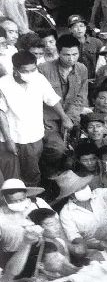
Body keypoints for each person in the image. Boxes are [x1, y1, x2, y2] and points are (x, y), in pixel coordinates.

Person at [0, 51, 74, 186]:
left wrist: (64, 117)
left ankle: (33, 194)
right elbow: (1, 114)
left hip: (33, 135)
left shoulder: (39, 79)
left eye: (33, 69)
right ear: (15, 69)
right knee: (12, 176)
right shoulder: (3, 84)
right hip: (10, 136)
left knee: (31, 172)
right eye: (25, 71)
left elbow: (52, 99)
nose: (30, 74)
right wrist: (8, 140)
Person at [39, 34, 89, 156]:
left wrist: (70, 118)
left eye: (75, 54)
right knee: (57, 149)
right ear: (58, 52)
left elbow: (81, 97)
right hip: (48, 120)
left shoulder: (82, 69)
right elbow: (40, 99)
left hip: (72, 118)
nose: (71, 59)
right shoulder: (43, 69)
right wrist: (62, 118)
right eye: (67, 55)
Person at [57, 171, 107, 250]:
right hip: (95, 248)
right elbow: (74, 237)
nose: (84, 189)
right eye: (78, 189)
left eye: (84, 186)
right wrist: (96, 246)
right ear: (71, 194)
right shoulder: (66, 213)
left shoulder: (99, 194)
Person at [67, 14, 102, 79]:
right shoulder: (67, 44)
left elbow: (102, 63)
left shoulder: (96, 42)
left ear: (85, 28)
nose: (79, 29)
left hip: (94, 79)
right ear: (70, 30)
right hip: (75, 80)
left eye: (81, 26)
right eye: (75, 27)